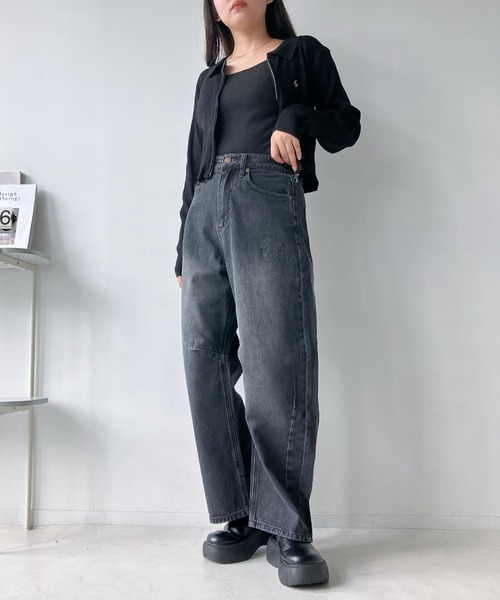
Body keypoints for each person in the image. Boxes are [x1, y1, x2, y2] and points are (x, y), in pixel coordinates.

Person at [175, 0, 360, 587]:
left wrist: (296, 115)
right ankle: (241, 514)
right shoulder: (209, 80)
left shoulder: (302, 55)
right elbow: (193, 166)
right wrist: (182, 248)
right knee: (203, 360)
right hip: (205, 213)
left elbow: (346, 125)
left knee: (275, 360)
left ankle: (286, 526)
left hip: (266, 197)